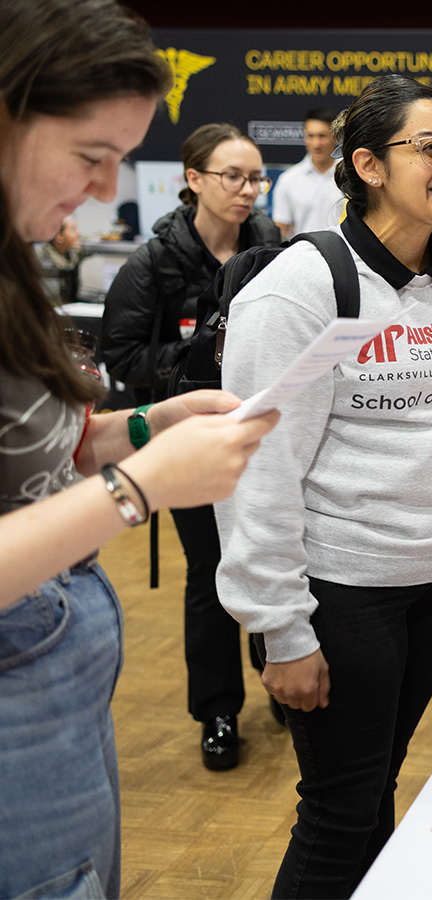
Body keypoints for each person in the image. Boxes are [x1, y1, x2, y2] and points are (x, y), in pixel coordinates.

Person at [0, 1, 278, 897]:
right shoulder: (137, 267)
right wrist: (140, 484)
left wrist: (155, 424)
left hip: (60, 666)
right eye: (89, 157)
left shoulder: (16, 263)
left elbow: (43, 449)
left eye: (121, 159)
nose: (102, 186)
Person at [214, 73, 432, 899]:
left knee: (376, 784)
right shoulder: (307, 289)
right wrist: (282, 629)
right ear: (369, 165)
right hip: (347, 589)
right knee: (341, 812)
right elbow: (258, 463)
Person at [101, 123, 281, 770]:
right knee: (209, 570)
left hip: (262, 428)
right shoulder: (154, 262)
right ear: (194, 179)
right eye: (232, 176)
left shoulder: (269, 244)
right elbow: (119, 355)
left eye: (256, 177)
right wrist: (200, 347)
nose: (247, 190)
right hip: (185, 439)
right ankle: (218, 711)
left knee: (267, 552)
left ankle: (275, 670)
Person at [271, 107, 345, 239]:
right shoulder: (288, 180)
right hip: (302, 256)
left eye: (322, 136)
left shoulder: (351, 175)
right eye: (310, 136)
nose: (316, 144)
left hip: (345, 256)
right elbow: (281, 230)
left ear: (335, 137)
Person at [37, 215, 84, 304]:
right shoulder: (40, 258)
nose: (78, 233)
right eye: (73, 230)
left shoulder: (73, 254)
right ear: (59, 237)